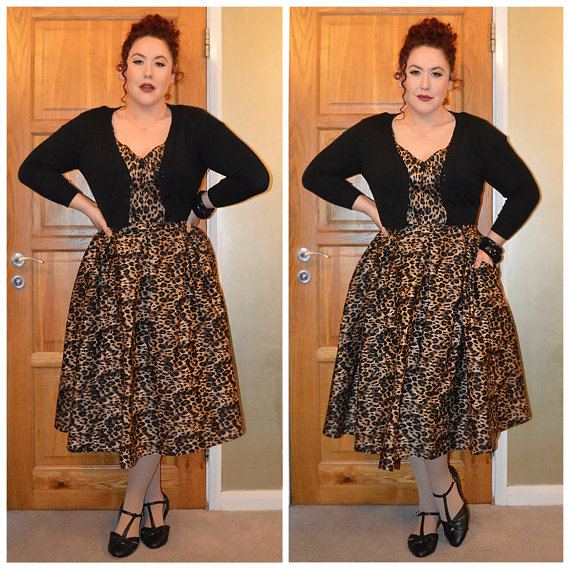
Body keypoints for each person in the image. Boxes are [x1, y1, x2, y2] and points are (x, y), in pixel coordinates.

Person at [18, 14, 269, 559]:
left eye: (160, 63)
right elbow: (32, 168)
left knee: (163, 390)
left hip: (179, 277)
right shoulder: (91, 127)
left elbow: (254, 175)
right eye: (139, 61)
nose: (149, 72)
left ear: (174, 74)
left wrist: (204, 204)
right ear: (123, 69)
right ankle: (154, 498)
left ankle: (132, 506)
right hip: (113, 277)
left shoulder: (195, 126)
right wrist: (87, 208)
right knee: (131, 391)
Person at [302, 17, 539, 558]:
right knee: (406, 391)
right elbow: (317, 174)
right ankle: (438, 498)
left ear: (451, 81)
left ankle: (435, 501)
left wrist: (491, 244)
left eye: (437, 73)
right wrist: (369, 208)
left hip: (459, 283)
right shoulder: (372, 133)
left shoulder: (477, 134)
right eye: (416, 72)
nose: (426, 83)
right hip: (392, 282)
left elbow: (524, 191)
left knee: (432, 394)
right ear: (401, 77)